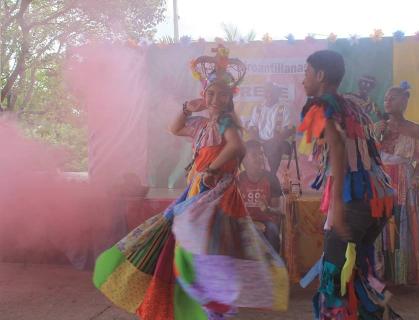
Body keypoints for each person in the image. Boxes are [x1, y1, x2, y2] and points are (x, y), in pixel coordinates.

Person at [92, 45, 289, 320]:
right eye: (210, 93)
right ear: (203, 94)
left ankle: (213, 310)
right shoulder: (200, 123)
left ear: (230, 97)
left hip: (217, 196)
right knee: (193, 251)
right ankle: (205, 308)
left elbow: (235, 146)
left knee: (206, 252)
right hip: (199, 192)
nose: (216, 98)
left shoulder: (225, 121)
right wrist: (187, 108)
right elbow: (173, 128)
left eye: (222, 94)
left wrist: (211, 168)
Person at [298, 50, 401, 319]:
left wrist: (338, 208)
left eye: (306, 73)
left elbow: (339, 146)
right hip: (378, 199)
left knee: (335, 278)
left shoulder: (321, 105)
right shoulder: (351, 105)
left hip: (355, 203)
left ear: (320, 76)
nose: (302, 79)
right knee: (354, 272)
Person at [375, 82, 419, 285]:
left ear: (404, 101)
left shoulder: (416, 130)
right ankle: (379, 274)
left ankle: (403, 275)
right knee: (380, 225)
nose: (387, 102)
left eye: (393, 98)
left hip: (404, 181)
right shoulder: (378, 127)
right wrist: (375, 135)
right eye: (385, 99)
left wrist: (415, 178)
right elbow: (368, 157)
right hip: (380, 180)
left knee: (402, 223)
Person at [237, 139, 283, 252]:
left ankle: (274, 266)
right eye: (254, 155)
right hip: (245, 222)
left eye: (261, 154)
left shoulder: (271, 178)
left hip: (266, 222)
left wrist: (268, 209)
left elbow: (279, 210)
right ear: (244, 161)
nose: (260, 158)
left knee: (273, 231)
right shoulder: (238, 180)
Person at [247, 82, 295, 174]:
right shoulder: (258, 108)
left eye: (272, 91)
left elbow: (289, 129)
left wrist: (275, 140)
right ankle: (255, 176)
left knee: (274, 147)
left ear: (277, 93)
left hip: (281, 143)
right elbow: (252, 126)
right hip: (261, 142)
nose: (268, 94)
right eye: (266, 91)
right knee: (248, 147)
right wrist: (256, 141)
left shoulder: (285, 108)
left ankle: (272, 176)